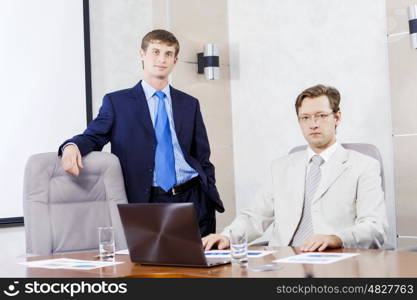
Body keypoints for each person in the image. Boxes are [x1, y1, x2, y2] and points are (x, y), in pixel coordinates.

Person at [59, 29, 224, 237]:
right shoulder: (118, 103)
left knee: (199, 267)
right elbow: (93, 136)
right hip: (146, 200)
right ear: (142, 54)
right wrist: (72, 146)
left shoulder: (189, 104)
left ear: (175, 60)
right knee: (149, 267)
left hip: (193, 199)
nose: (161, 59)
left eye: (168, 54)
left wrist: (208, 190)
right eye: (155, 51)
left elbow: (202, 155)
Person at [203, 84, 388, 251]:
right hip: (284, 263)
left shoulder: (363, 166)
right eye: (305, 118)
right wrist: (226, 236)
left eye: (321, 116)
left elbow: (375, 227)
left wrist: (337, 238)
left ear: (337, 117)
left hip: (334, 260)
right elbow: (255, 217)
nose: (313, 124)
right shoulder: (281, 167)